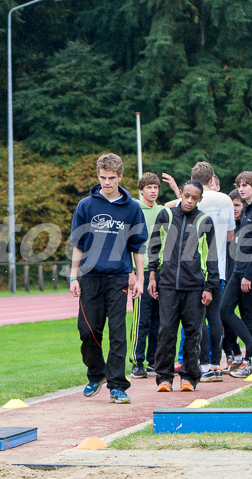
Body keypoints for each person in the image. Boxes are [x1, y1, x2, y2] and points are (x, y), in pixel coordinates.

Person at [69, 153, 147, 404]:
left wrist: (140, 278)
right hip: (90, 276)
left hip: (118, 278)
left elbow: (138, 246)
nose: (107, 182)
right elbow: (78, 244)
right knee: (87, 331)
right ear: (98, 176)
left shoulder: (132, 207)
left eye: (112, 178)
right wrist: (73, 276)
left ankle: (117, 385)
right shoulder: (85, 205)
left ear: (120, 177)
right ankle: (96, 374)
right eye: (102, 177)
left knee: (117, 333)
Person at [161, 162, 235, 382]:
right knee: (214, 317)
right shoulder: (225, 199)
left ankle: (195, 363)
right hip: (216, 267)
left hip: (194, 270)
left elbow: (173, 208)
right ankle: (214, 364)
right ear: (212, 179)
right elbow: (230, 236)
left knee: (192, 323)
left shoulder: (189, 204)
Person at [148, 180, 219, 392]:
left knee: (192, 333)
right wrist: (152, 277)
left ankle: (189, 377)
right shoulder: (166, 215)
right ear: (180, 193)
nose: (189, 201)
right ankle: (164, 378)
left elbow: (212, 256)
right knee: (166, 332)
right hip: (168, 284)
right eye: (186, 195)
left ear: (200, 199)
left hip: (195, 287)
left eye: (194, 197)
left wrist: (209, 286)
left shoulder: (204, 220)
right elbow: (154, 247)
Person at [221, 171, 252, 377]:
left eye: (246, 185)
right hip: (238, 269)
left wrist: (248, 276)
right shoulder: (246, 208)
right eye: (239, 185)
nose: (242, 189)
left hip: (251, 272)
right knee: (224, 310)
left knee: (250, 316)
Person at [129, 173, 165, 379]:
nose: (153, 191)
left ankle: (154, 359)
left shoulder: (163, 211)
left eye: (156, 187)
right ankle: (137, 361)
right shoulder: (134, 209)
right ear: (141, 190)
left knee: (159, 320)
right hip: (141, 271)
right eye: (149, 187)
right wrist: (131, 272)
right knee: (141, 319)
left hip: (160, 270)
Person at [222, 188, 244, 374]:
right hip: (225, 275)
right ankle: (232, 354)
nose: (234, 209)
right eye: (232, 205)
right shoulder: (226, 225)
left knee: (229, 314)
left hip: (239, 277)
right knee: (222, 316)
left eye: (237, 205)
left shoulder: (245, 226)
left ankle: (241, 354)